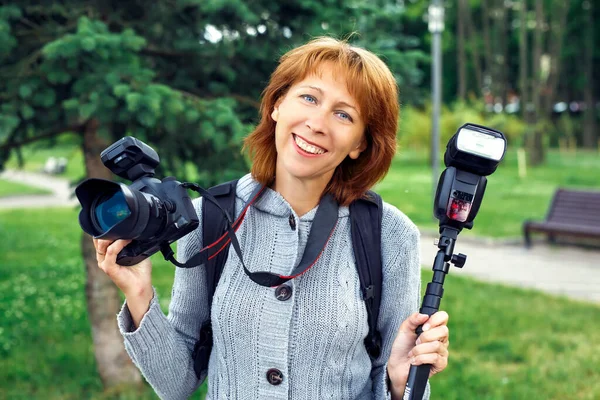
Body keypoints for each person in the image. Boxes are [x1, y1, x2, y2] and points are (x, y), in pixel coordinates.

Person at [94, 37, 449, 400]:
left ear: (360, 143)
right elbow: (178, 383)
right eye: (309, 98)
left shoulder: (387, 234)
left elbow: (390, 376)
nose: (317, 123)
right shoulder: (210, 219)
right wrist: (138, 293)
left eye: (344, 114)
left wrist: (400, 383)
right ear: (278, 104)